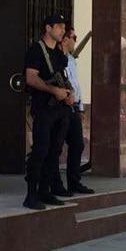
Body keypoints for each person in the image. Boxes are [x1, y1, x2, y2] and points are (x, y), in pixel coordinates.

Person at [22, 14, 74, 210]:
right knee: (40, 151)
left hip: (60, 110)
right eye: (59, 27)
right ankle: (31, 195)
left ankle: (45, 191)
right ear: (48, 28)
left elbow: (63, 77)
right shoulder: (36, 50)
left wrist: (69, 93)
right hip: (44, 108)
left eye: (64, 28)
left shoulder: (59, 54)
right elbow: (31, 77)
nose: (62, 31)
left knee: (54, 151)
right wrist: (53, 91)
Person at [49, 26, 94, 195]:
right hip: (60, 106)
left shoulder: (71, 59)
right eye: (74, 37)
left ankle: (74, 182)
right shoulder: (56, 58)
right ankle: (55, 185)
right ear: (65, 39)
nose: (76, 40)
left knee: (77, 144)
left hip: (73, 107)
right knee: (56, 147)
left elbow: (76, 85)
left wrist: (80, 107)